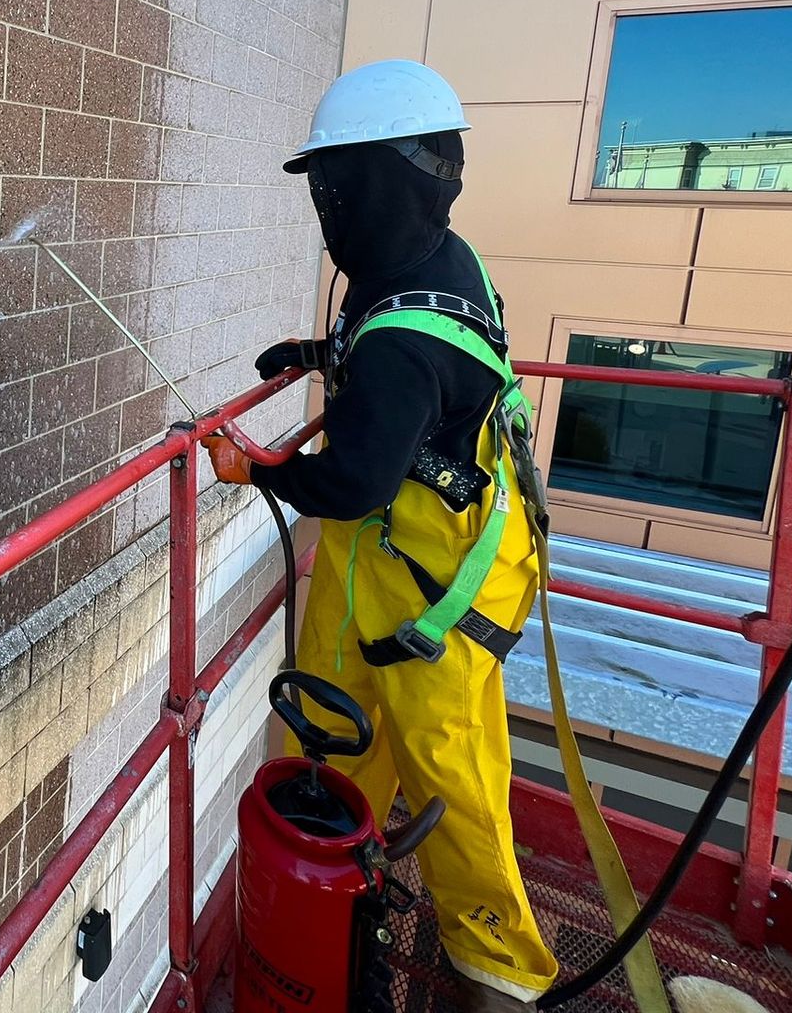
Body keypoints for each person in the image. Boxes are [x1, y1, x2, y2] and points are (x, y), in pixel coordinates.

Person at [204, 60, 557, 1009]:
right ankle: (332, 903)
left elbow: (355, 480)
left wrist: (260, 470)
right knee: (329, 743)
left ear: (373, 184)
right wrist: (315, 356)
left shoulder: (404, 341)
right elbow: (399, 351)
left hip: (433, 599)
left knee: (455, 788)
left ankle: (498, 975)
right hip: (399, 573)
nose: (325, 207)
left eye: (332, 186)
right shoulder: (439, 261)